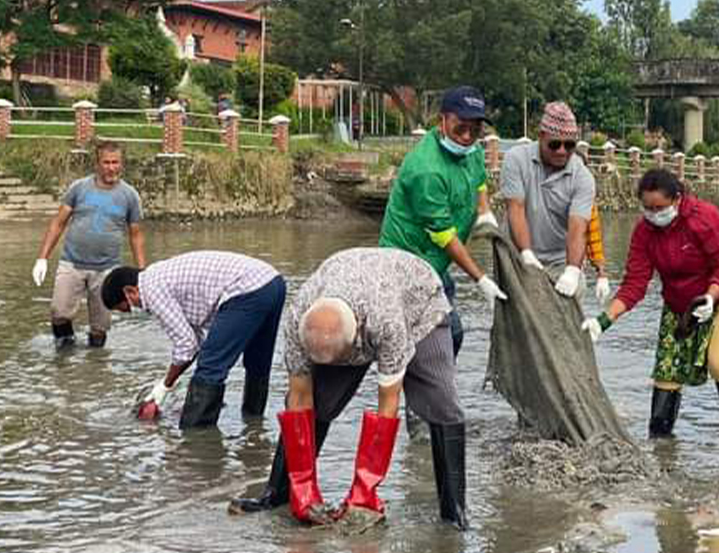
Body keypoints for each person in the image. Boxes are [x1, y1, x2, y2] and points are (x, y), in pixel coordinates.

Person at [228, 248, 468, 528]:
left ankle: (454, 513)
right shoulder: (297, 319)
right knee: (320, 402)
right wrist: (303, 488)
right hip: (349, 296)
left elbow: (387, 404)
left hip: (418, 302)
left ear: (353, 344)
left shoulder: (387, 323)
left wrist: (363, 492)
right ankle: (279, 494)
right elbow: (299, 396)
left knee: (441, 404)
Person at [581, 168, 719, 444]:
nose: (653, 214)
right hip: (679, 304)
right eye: (647, 208)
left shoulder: (704, 217)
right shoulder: (644, 232)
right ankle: (660, 444)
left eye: (659, 208)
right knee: (666, 372)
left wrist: (711, 297)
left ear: (677, 199)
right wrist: (603, 321)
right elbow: (635, 284)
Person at [379, 85, 506, 358]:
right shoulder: (426, 169)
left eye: (476, 130)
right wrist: (481, 279)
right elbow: (444, 237)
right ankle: (419, 389)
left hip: (437, 266)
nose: (467, 136)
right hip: (405, 264)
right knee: (447, 334)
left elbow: (480, 178)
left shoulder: (470, 150)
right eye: (461, 128)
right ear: (442, 122)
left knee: (448, 337)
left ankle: (425, 388)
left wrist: (484, 211)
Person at [100, 251, 287, 429]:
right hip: (272, 282)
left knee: (210, 367)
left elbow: (187, 345)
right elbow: (195, 341)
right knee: (257, 362)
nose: (135, 309)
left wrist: (163, 389)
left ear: (130, 290)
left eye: (127, 307)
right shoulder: (159, 276)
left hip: (246, 289)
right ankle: (254, 425)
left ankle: (196, 441)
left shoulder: (151, 290)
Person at [33, 140, 145, 350]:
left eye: (116, 162)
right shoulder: (79, 188)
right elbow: (58, 223)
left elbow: (136, 235)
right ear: (97, 164)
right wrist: (42, 258)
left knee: (100, 327)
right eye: (106, 163)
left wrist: (142, 273)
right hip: (72, 263)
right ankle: (64, 355)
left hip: (107, 269)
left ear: (121, 164)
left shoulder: (129, 196)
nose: (112, 168)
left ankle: (95, 367)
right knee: (59, 313)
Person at [501, 101, 608, 301]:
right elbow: (516, 209)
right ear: (541, 136)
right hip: (515, 254)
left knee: (570, 303)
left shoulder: (583, 177)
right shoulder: (516, 160)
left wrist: (573, 270)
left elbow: (578, 229)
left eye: (569, 145)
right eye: (554, 144)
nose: (561, 151)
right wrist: (526, 252)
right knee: (518, 318)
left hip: (559, 260)